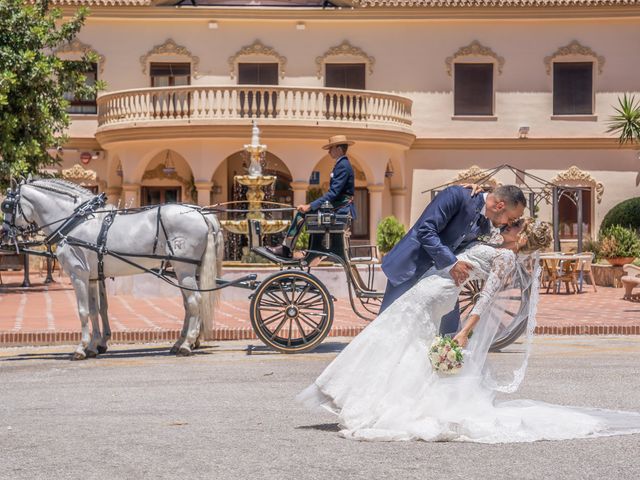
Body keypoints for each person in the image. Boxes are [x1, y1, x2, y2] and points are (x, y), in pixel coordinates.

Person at [297, 219, 640, 443]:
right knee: (394, 339)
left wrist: (465, 333)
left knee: (395, 337)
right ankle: (357, 394)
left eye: (516, 226)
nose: (510, 225)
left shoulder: (506, 258)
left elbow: (487, 299)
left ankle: (368, 399)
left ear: (521, 238)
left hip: (438, 294)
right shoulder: (497, 246)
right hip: (433, 288)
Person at [380, 184, 526, 336]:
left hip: (441, 283)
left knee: (447, 338)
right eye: (511, 218)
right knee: (387, 328)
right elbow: (426, 230)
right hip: (411, 269)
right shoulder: (456, 195)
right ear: (500, 205)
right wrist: (452, 263)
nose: (509, 223)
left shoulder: (485, 225)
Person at [268, 135, 356, 258]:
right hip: (339, 207)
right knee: (307, 214)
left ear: (339, 149)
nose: (329, 151)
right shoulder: (342, 164)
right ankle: (303, 249)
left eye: (331, 148)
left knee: (302, 214)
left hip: (340, 208)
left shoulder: (342, 165)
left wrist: (309, 206)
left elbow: (333, 193)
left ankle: (286, 248)